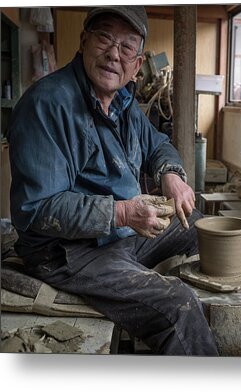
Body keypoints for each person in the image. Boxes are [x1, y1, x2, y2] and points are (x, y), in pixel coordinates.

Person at [7, 6, 218, 356]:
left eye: (127, 46)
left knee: (200, 227)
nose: (113, 54)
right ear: (84, 41)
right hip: (67, 251)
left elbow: (159, 144)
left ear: (137, 64)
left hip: (121, 235)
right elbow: (37, 208)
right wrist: (123, 213)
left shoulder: (122, 103)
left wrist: (172, 175)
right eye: (105, 37)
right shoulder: (46, 104)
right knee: (178, 306)